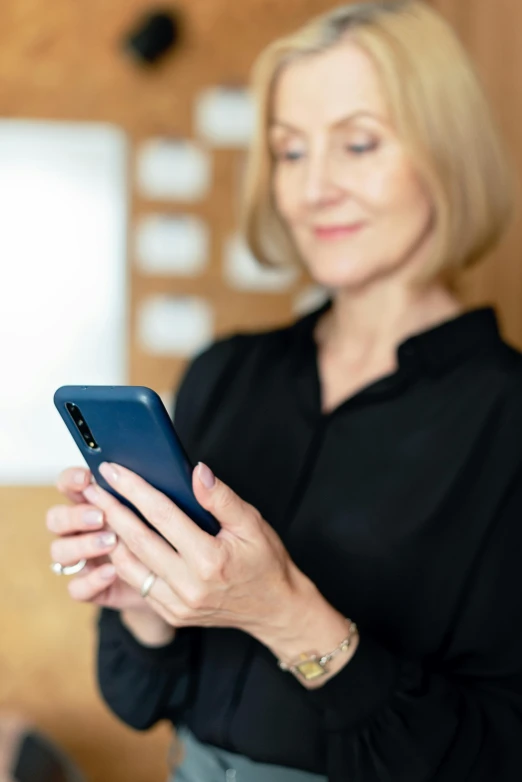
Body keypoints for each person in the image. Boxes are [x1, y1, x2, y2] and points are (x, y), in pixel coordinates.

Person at [46, 1, 522, 780]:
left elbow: (498, 751)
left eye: (358, 144)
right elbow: (140, 696)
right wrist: (139, 592)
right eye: (290, 153)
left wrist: (286, 616)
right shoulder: (227, 373)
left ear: (449, 154)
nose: (314, 188)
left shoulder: (505, 416)